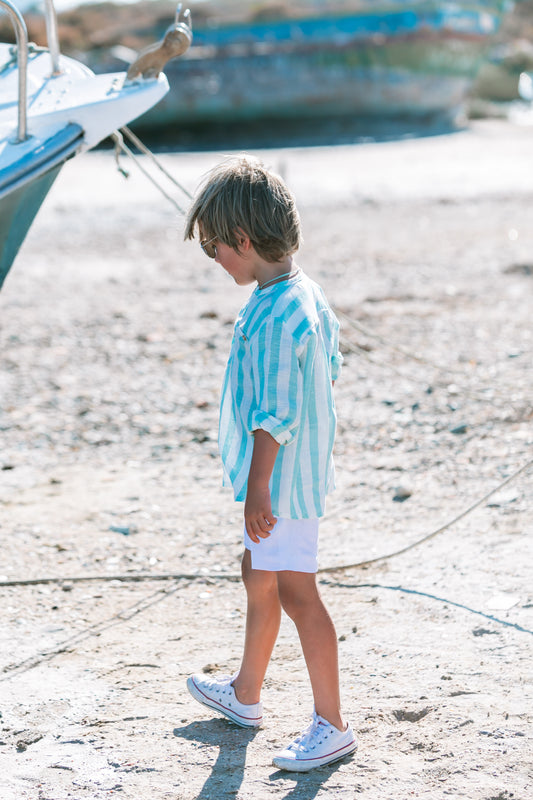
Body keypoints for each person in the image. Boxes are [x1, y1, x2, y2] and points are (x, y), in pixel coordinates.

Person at [183, 155, 356, 772]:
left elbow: (275, 414)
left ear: (243, 240)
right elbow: (329, 369)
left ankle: (332, 725)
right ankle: (246, 692)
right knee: (256, 572)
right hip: (284, 478)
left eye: (214, 248)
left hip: (283, 484)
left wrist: (260, 489)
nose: (214, 259)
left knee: (296, 592)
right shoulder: (295, 293)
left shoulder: (282, 314)